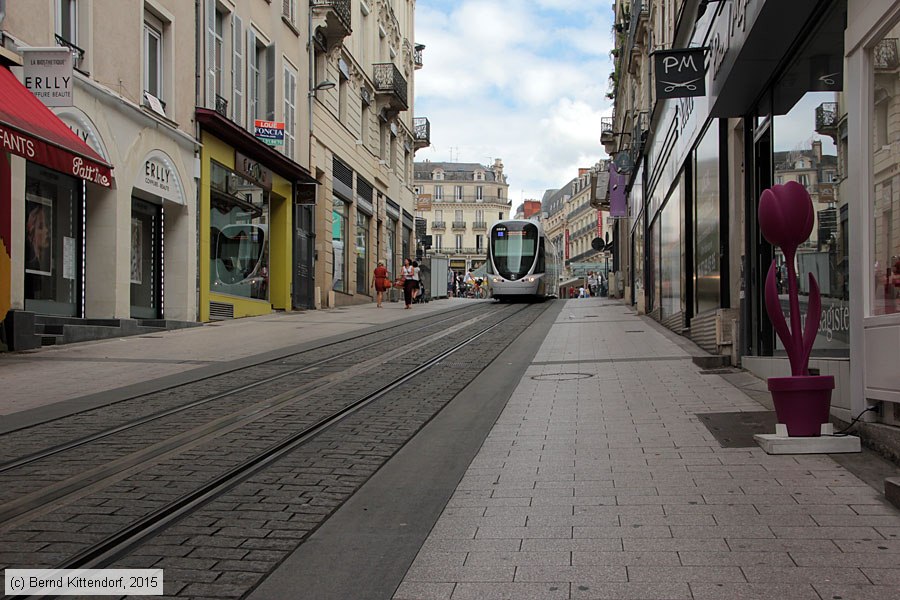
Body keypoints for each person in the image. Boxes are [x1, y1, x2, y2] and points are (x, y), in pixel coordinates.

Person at [25, 201, 51, 274]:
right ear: (31, 233)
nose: (46, 230)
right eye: (40, 226)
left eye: (46, 225)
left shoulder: (38, 264)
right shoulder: (32, 265)